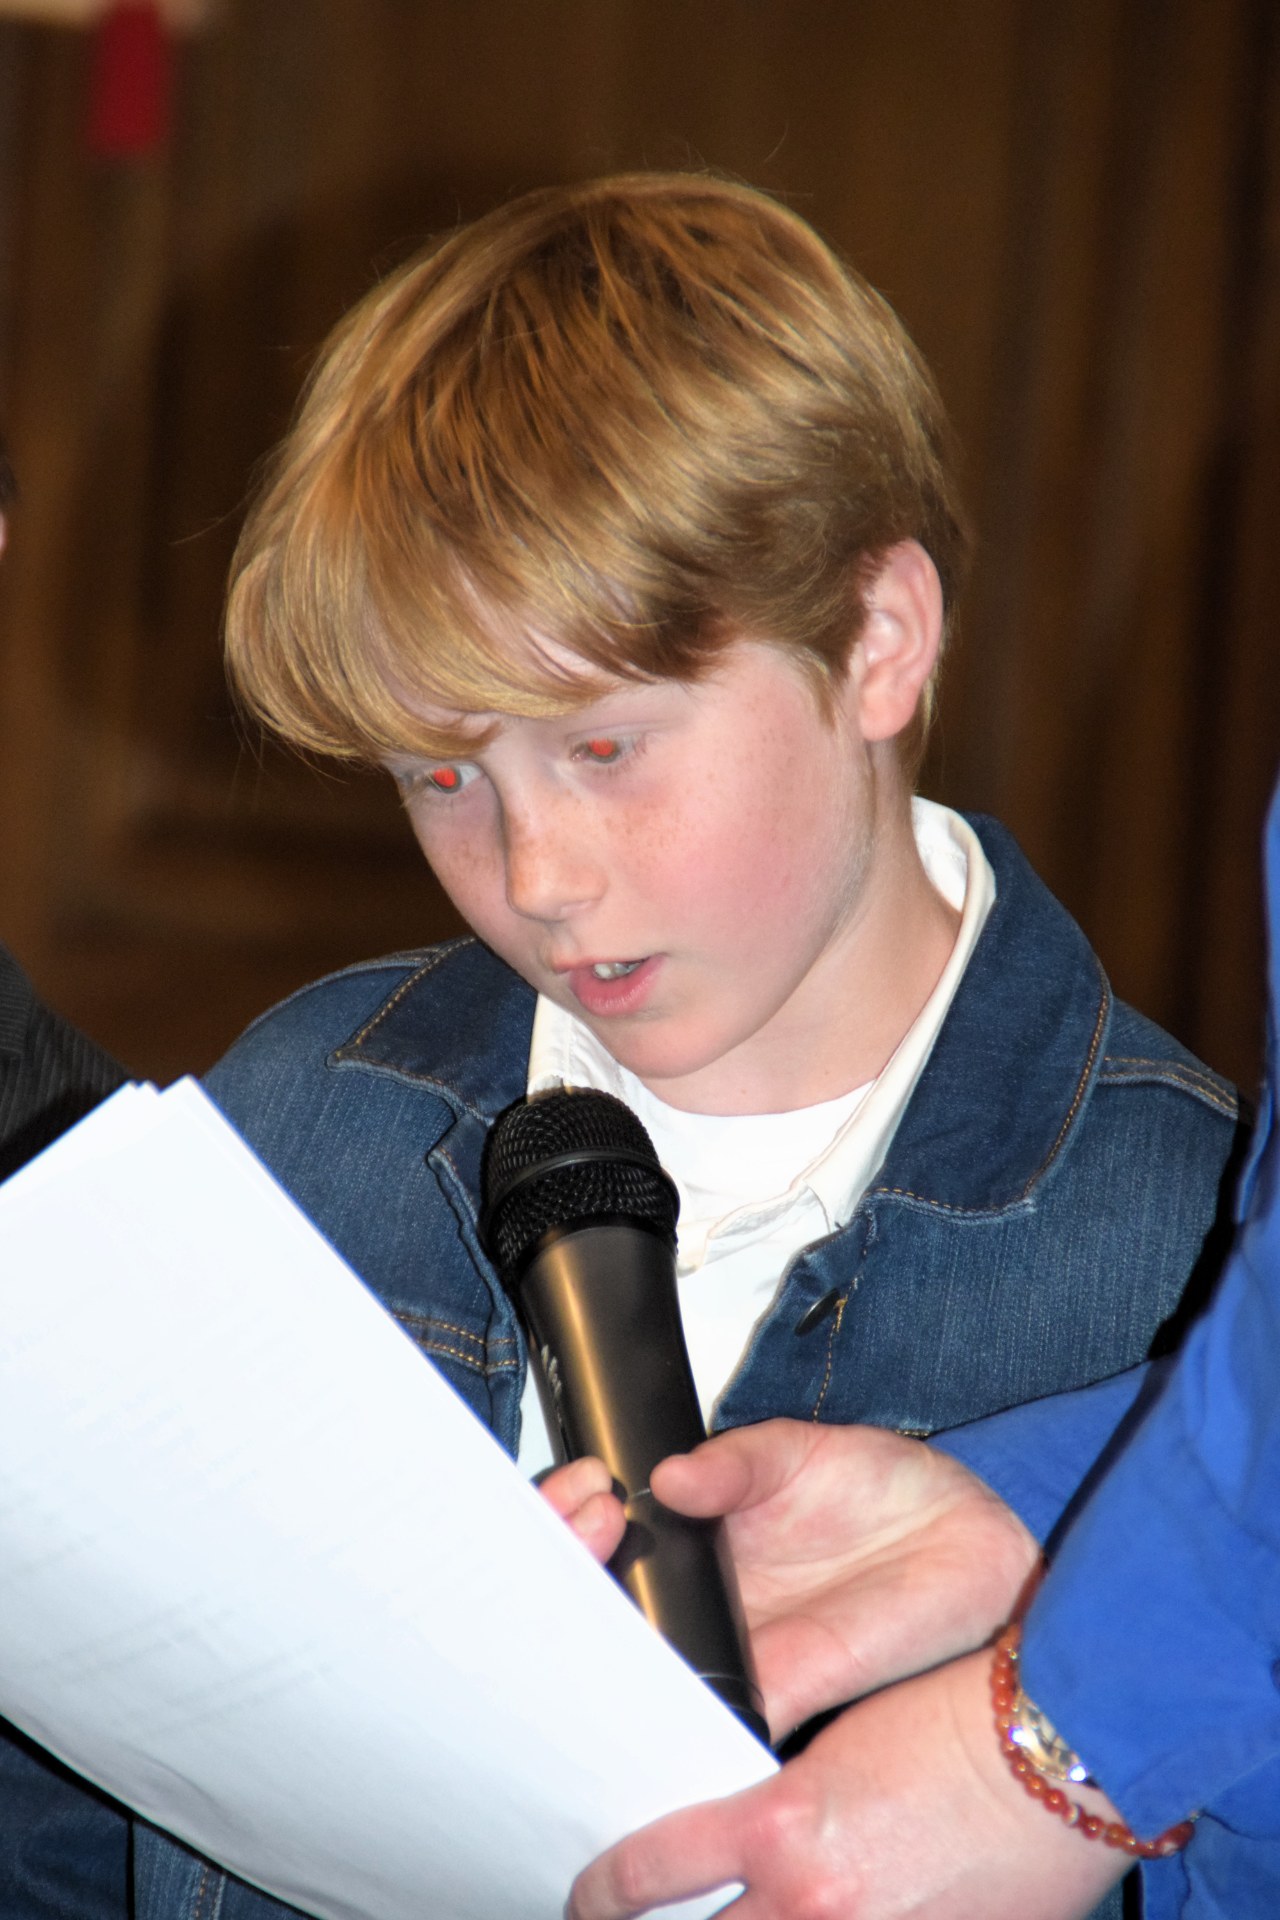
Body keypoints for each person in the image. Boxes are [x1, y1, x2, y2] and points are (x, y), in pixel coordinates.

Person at [0, 174, 1243, 1918]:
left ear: (877, 641)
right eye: (443, 777)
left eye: (601, 750)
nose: (533, 877)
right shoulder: (297, 1125)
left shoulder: (1184, 1256)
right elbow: (63, 1817)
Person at [563, 787, 1280, 1920]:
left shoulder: (1146, 1191)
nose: (534, 878)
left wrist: (1055, 1745)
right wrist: (1025, 1508)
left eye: (608, 752)